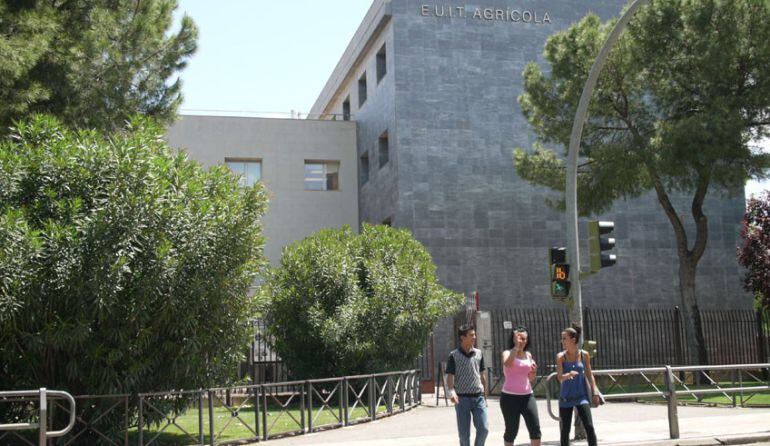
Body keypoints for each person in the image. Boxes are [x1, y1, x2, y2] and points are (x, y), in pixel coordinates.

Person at [556, 324, 600, 446]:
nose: (562, 341)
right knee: (565, 431)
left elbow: (590, 375)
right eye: (562, 338)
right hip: (566, 397)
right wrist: (568, 375)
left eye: (564, 338)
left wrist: (594, 392)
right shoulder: (561, 357)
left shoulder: (584, 354)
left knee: (589, 427)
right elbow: (559, 377)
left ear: (573, 340)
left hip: (582, 397)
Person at [446, 324, 489, 446]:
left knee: (484, 429)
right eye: (471, 335)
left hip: (478, 397)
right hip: (462, 399)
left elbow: (482, 375)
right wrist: (452, 392)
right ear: (462, 337)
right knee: (464, 436)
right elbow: (450, 376)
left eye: (474, 334)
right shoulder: (453, 355)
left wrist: (485, 396)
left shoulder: (479, 353)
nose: (474, 337)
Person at [499, 326, 541, 446]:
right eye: (519, 338)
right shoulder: (507, 353)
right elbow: (507, 364)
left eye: (524, 338)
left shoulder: (528, 355)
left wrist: (534, 372)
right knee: (511, 431)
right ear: (513, 339)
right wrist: (516, 348)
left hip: (527, 396)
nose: (522, 341)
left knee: (535, 429)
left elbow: (530, 378)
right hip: (509, 398)